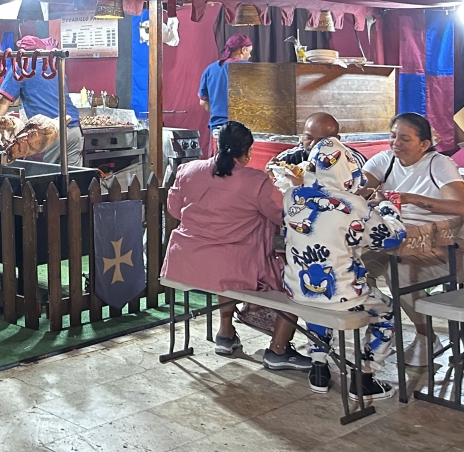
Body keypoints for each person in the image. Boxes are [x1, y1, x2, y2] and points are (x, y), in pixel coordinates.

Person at [161, 121, 313, 371]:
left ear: (218, 144)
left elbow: (174, 209)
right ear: (249, 151)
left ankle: (226, 332)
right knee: (291, 281)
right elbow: (281, 216)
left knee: (226, 262)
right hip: (232, 266)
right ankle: (278, 349)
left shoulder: (188, 170)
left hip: (184, 262)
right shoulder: (255, 180)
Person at [283, 137, 406, 399]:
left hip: (297, 291)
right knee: (387, 310)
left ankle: (319, 368)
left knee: (317, 304)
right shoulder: (353, 205)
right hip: (344, 297)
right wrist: (388, 208)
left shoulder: (291, 196)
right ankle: (365, 376)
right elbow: (391, 238)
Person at [361, 112, 464, 366]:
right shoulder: (384, 160)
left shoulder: (438, 164)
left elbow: (460, 206)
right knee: (353, 266)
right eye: (393, 135)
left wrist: (408, 198)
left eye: (405, 138)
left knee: (400, 270)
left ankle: (426, 337)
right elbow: (359, 187)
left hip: (440, 244)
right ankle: (380, 324)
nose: (396, 142)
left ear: (424, 144)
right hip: (393, 237)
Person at [0, 33, 83, 168]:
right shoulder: (55, 65)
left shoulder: (20, 67)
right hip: (74, 129)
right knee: (73, 180)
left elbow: (4, 103)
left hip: (51, 132)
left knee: (45, 179)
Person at [198, 34, 253, 158]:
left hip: (218, 129)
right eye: (249, 52)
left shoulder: (210, 69)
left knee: (218, 168)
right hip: (243, 130)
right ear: (243, 49)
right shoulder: (252, 69)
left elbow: (203, 102)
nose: (249, 56)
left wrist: (219, 111)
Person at [270, 112, 342, 166]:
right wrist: (271, 174)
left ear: (337, 140)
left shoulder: (349, 159)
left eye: (322, 140)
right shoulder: (288, 158)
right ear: (302, 137)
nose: (313, 144)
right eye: (309, 138)